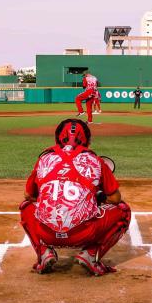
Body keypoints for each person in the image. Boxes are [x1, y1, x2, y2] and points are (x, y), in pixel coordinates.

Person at [20, 118, 131, 276]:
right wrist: (96, 198)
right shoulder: (95, 160)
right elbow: (115, 199)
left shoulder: (44, 159)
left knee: (25, 207)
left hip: (46, 233)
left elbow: (28, 195)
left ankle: (43, 252)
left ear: (58, 137)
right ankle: (91, 254)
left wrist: (52, 200)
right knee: (123, 211)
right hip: (83, 233)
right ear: (86, 140)